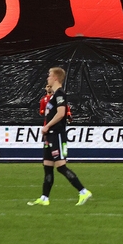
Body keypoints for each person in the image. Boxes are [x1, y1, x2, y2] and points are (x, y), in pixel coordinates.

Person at [28, 67, 92, 207]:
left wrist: (47, 126)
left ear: (56, 78)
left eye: (49, 75)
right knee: (47, 166)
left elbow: (61, 113)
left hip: (56, 134)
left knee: (61, 167)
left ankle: (83, 191)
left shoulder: (60, 94)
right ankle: (45, 198)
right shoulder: (52, 96)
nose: (47, 78)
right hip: (49, 136)